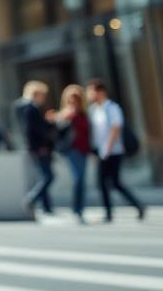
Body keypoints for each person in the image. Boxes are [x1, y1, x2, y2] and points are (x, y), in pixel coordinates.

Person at [86, 79, 146, 222]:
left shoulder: (112, 108)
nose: (89, 95)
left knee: (115, 182)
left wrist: (108, 148)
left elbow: (116, 128)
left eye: (91, 91)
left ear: (100, 91)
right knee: (103, 183)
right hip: (100, 151)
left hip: (114, 151)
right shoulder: (94, 110)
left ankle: (137, 205)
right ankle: (109, 212)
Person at [14, 80, 57, 216]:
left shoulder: (30, 108)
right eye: (42, 95)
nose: (44, 98)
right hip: (40, 147)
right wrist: (40, 146)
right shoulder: (30, 108)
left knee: (44, 176)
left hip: (38, 147)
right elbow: (31, 130)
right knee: (48, 176)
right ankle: (32, 198)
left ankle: (46, 206)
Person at [55, 84, 91, 223]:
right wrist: (64, 117)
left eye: (76, 98)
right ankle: (77, 210)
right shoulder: (66, 113)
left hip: (84, 149)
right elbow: (59, 130)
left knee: (82, 180)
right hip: (73, 150)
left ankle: (80, 209)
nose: (74, 101)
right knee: (78, 179)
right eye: (71, 98)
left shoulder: (84, 113)